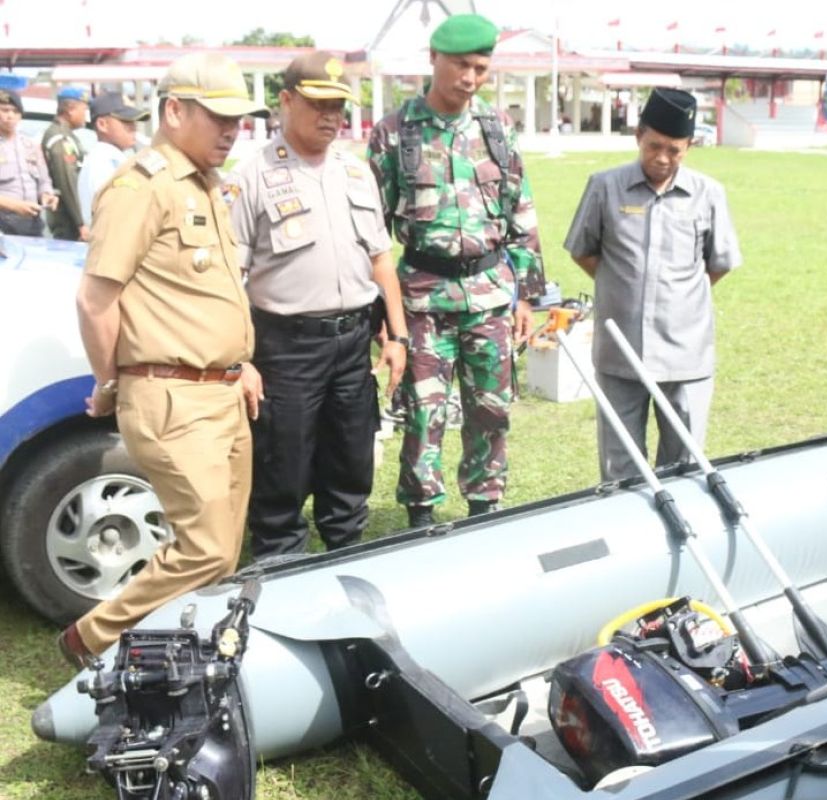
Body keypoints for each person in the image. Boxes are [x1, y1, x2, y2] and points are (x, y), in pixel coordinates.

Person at [60, 52, 269, 668]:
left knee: (223, 552)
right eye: (219, 117)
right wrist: (111, 380)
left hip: (224, 391)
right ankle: (91, 640)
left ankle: (176, 660)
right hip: (173, 397)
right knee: (204, 549)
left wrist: (242, 360)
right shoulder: (140, 187)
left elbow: (205, 294)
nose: (233, 131)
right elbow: (97, 299)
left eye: (240, 120)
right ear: (174, 111)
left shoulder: (206, 185)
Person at [368, 13, 545, 527]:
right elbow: (374, 232)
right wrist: (385, 315)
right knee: (424, 413)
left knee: (492, 410)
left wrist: (527, 297)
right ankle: (421, 513)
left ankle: (484, 508)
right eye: (459, 65)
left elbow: (522, 214)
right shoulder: (394, 133)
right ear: (433, 60)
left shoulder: (497, 129)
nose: (469, 78)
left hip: (490, 297)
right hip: (422, 301)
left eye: (480, 68)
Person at [230, 52, 407, 559]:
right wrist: (239, 357)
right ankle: (281, 564)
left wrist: (396, 336)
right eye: (318, 104)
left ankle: (343, 555)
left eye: (338, 106)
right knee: (282, 466)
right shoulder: (253, 176)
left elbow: (381, 258)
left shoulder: (355, 172)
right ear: (285, 102)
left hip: (353, 341)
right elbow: (230, 278)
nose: (331, 117)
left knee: (350, 460)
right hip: (285, 348)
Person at [563, 88, 741, 481]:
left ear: (689, 147)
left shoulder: (708, 194)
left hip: (686, 354)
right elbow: (582, 250)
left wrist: (674, 297)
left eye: (674, 150)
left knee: (684, 467)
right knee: (620, 468)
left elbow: (719, 263)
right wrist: (623, 287)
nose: (662, 159)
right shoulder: (604, 187)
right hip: (620, 350)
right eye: (654, 146)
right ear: (638, 136)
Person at [77, 92, 148, 227]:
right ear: (102, 124)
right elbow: (111, 215)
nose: (133, 127)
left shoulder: (113, 158)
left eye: (133, 122)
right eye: (125, 122)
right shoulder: (102, 162)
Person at [0, 89, 57, 236]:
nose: (10, 116)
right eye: (4, 110)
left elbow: (44, 180)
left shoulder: (30, 145)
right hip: (3, 224)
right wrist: (15, 206)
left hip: (32, 222)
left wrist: (47, 195)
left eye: (15, 111)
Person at [42, 86, 89, 241]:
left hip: (70, 217)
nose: (85, 116)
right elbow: (68, 182)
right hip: (67, 219)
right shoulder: (60, 138)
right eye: (84, 110)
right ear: (70, 110)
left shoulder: (66, 135)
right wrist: (80, 222)